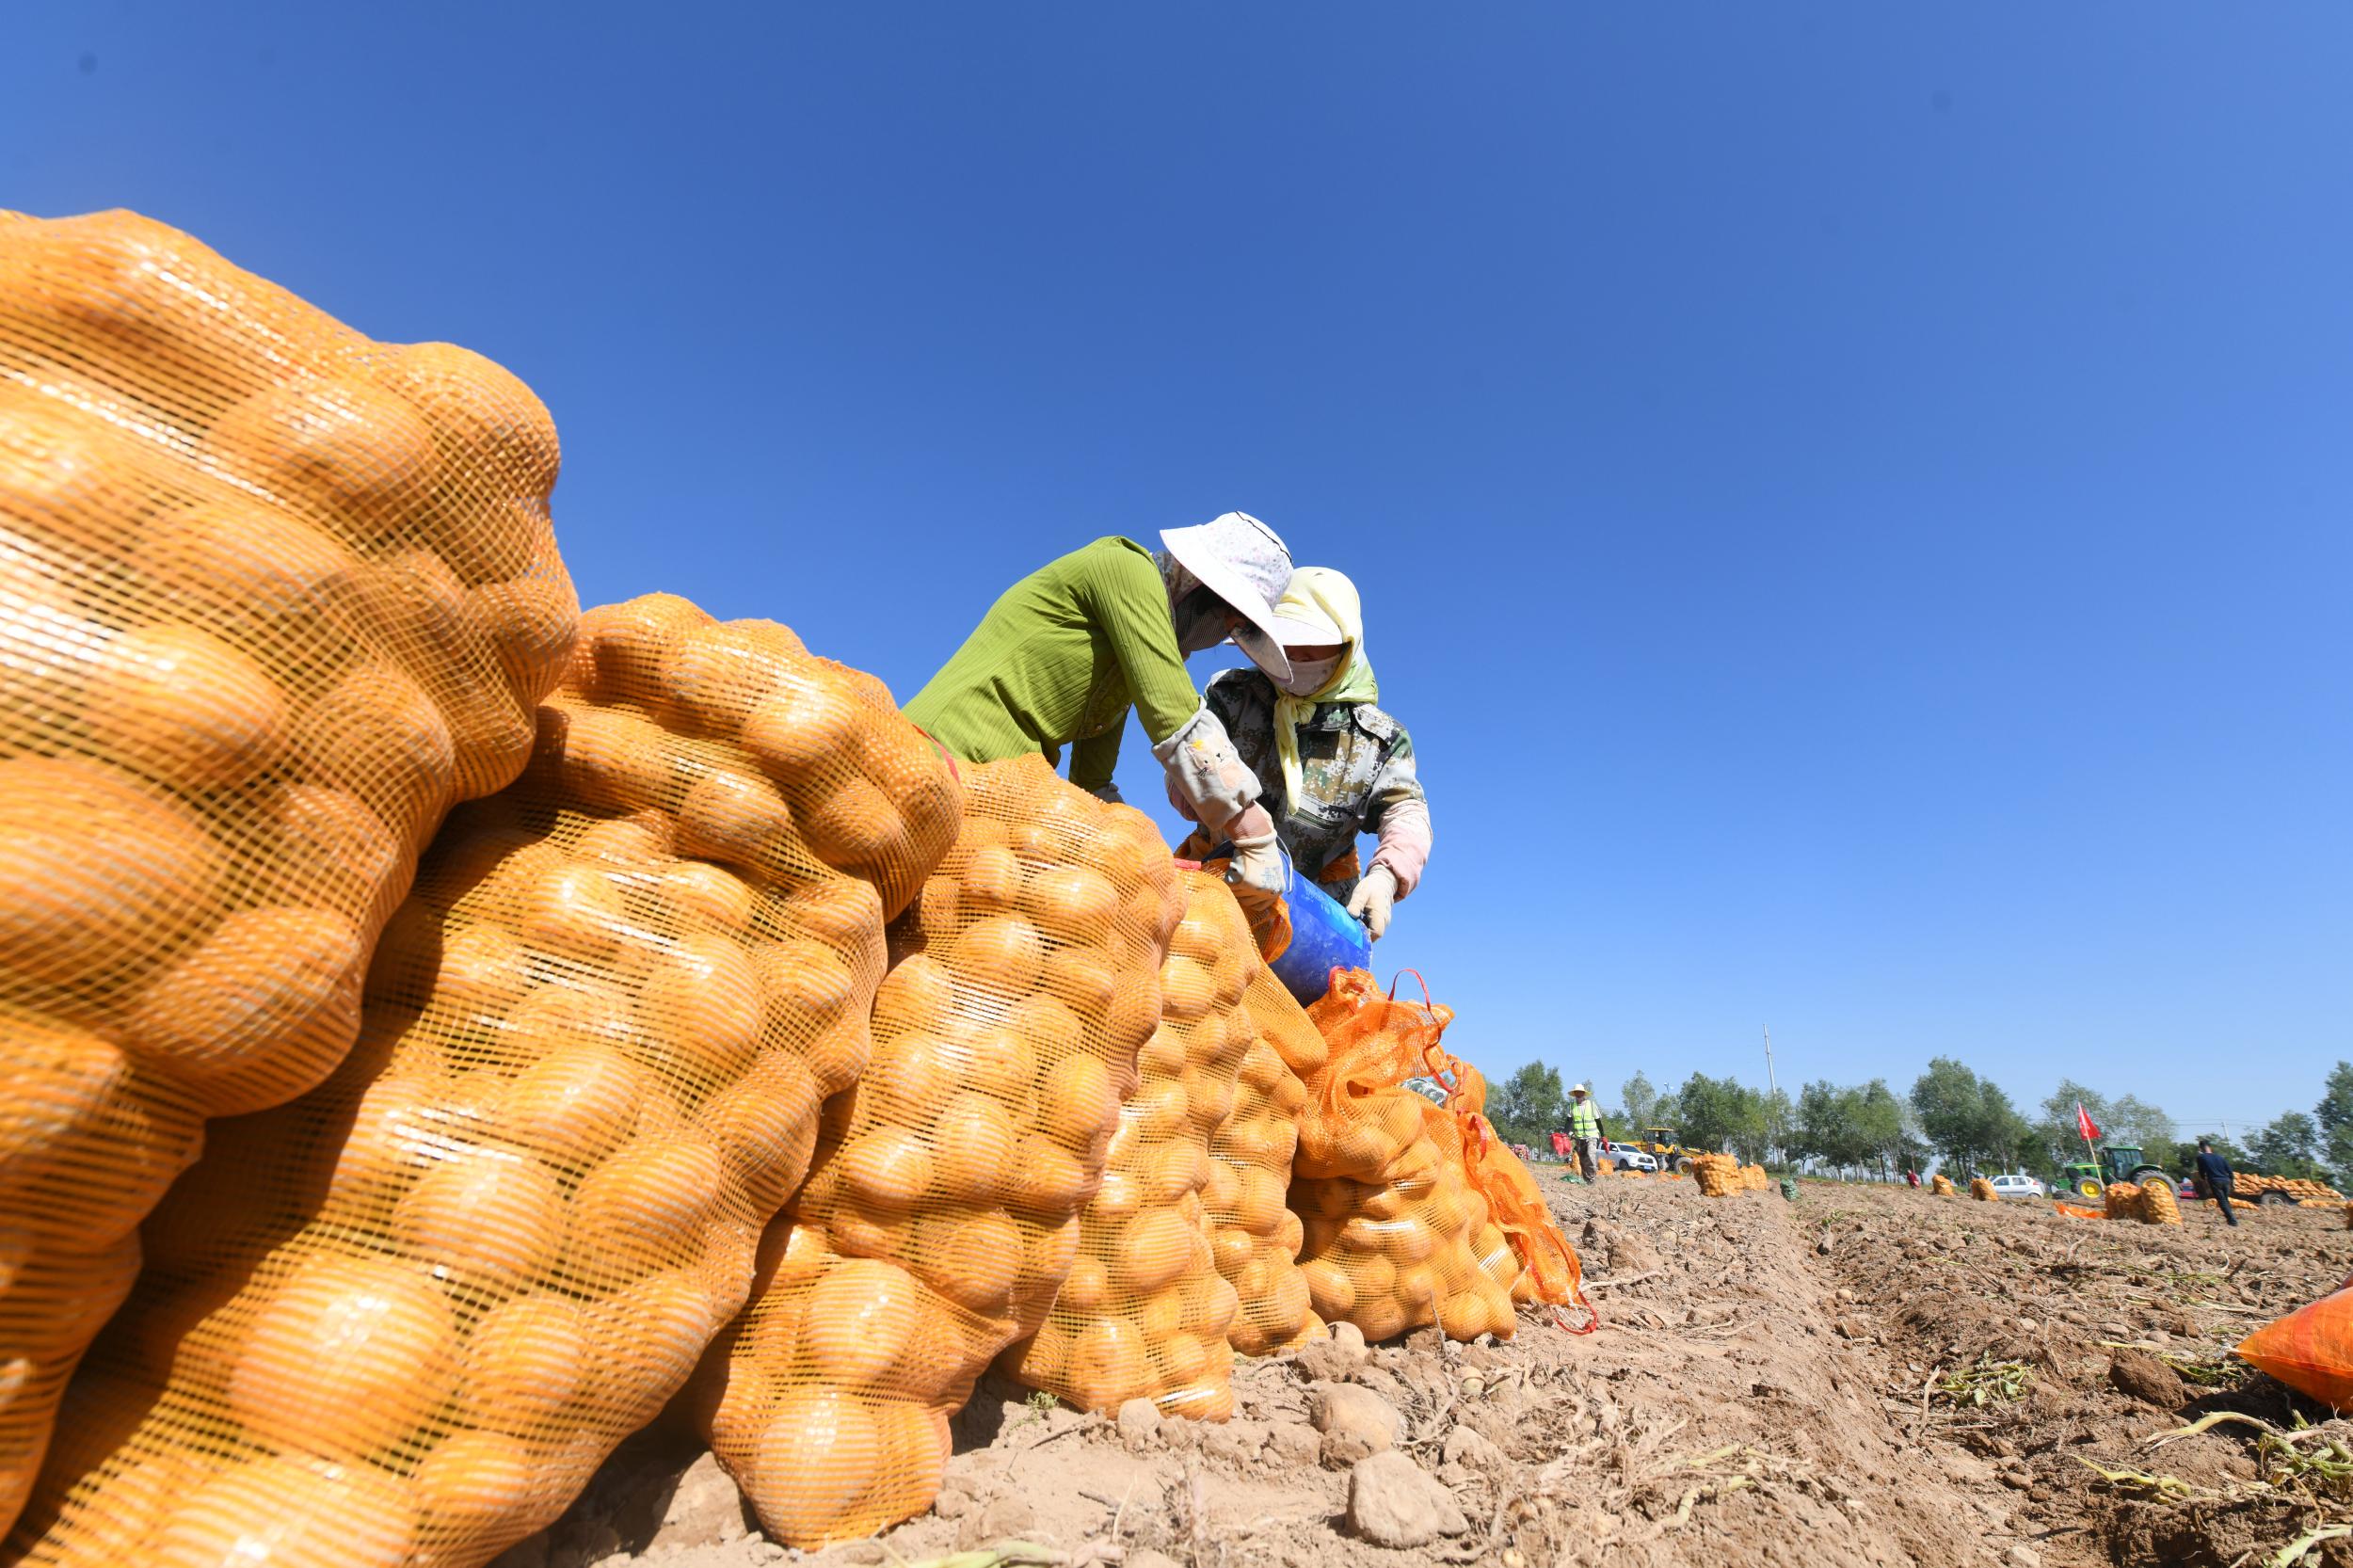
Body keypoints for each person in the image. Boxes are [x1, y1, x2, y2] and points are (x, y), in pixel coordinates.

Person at [904, 514, 1297, 897]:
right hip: (939, 759)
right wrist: (1251, 826)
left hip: (994, 796)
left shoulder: (1124, 655)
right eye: (1226, 618)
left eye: (1234, 628)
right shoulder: (1126, 569)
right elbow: (1172, 711)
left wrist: (1139, 841)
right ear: (1198, 585)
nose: (1219, 634)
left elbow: (1092, 782)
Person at [1170, 568, 1432, 940]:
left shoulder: (1379, 741)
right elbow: (1185, 755)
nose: (1295, 657)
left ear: (1346, 648)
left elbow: (1406, 812)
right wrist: (1200, 793)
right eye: (1286, 643)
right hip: (1216, 891)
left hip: (1314, 923)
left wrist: (1388, 876)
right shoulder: (1233, 696)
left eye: (1311, 647)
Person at [1567, 1082, 1607, 1183]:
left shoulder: (1592, 1105)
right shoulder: (1572, 1106)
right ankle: (1587, 1180)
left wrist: (1603, 1136)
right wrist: (1565, 1134)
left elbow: (1598, 1121)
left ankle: (1592, 1179)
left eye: (1580, 1093)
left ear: (1583, 1094)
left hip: (1592, 1136)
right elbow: (1568, 1122)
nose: (1578, 1094)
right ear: (1575, 1094)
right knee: (1583, 1160)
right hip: (1579, 1138)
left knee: (1590, 1155)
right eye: (1577, 1093)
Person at [2194, 1139, 2238, 1226]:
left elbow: (2201, 1171)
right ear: (2210, 1147)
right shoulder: (2220, 1157)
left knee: (2222, 1201)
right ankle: (2230, 1220)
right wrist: (2232, 1181)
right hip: (2226, 1181)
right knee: (2225, 1200)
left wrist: (2203, 1180)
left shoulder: (2201, 1157)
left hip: (2215, 1181)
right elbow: (2229, 1170)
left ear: (2201, 1148)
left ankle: (2233, 1221)